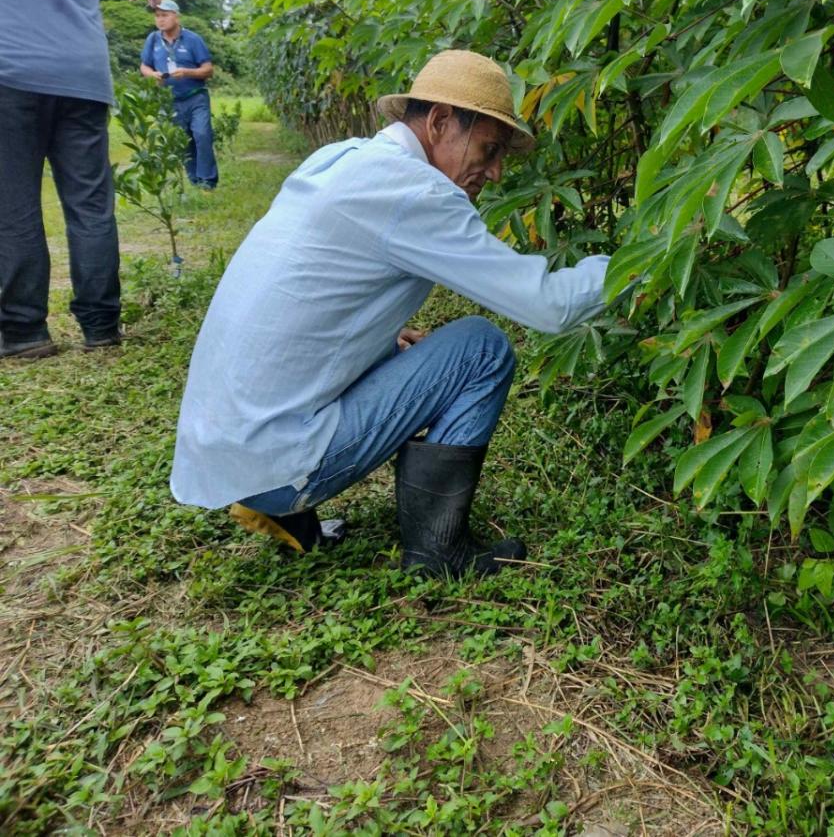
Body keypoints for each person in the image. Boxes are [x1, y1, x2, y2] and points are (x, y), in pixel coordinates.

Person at [171, 50, 610, 577]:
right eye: (489, 149)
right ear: (440, 122)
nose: (494, 172)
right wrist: (639, 263)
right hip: (275, 462)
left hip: (227, 446)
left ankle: (279, 504)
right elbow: (549, 305)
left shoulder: (340, 159)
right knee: (480, 348)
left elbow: (310, 301)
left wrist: (385, 341)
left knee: (407, 346)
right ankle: (438, 553)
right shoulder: (416, 190)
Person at [0, 0, 162, 359]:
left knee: (14, 207)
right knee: (90, 206)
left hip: (10, 72)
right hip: (82, 74)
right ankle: (101, 326)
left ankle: (24, 331)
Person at [139, 0, 218, 189]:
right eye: (157, 16)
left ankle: (207, 180)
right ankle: (194, 180)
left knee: (202, 134)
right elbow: (144, 65)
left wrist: (187, 72)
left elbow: (208, 70)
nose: (160, 20)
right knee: (182, 141)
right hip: (169, 100)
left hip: (195, 96)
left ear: (176, 16)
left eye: (165, 15)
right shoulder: (153, 39)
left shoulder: (193, 39)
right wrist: (152, 74)